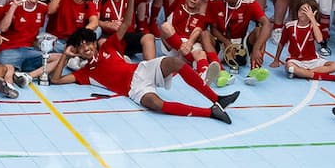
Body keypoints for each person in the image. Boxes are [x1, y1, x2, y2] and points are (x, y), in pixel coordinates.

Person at [74, 46, 237, 123]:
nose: (86, 48)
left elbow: (125, 24)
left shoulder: (107, 48)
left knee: (175, 63)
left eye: (87, 44)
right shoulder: (85, 72)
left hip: (142, 69)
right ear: (77, 52)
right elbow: (57, 79)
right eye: (81, 47)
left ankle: (217, 98)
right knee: (156, 104)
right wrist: (65, 56)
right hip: (134, 89)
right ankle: (210, 112)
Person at [280, 0, 335, 81]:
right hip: (296, 61)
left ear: (313, 13)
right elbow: (281, 43)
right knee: (289, 66)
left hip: (313, 61)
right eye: (301, 10)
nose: (303, 13)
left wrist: (312, 19)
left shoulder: (315, 26)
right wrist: (276, 60)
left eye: (307, 11)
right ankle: (322, 76)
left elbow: (319, 40)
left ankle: (301, 73)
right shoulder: (289, 26)